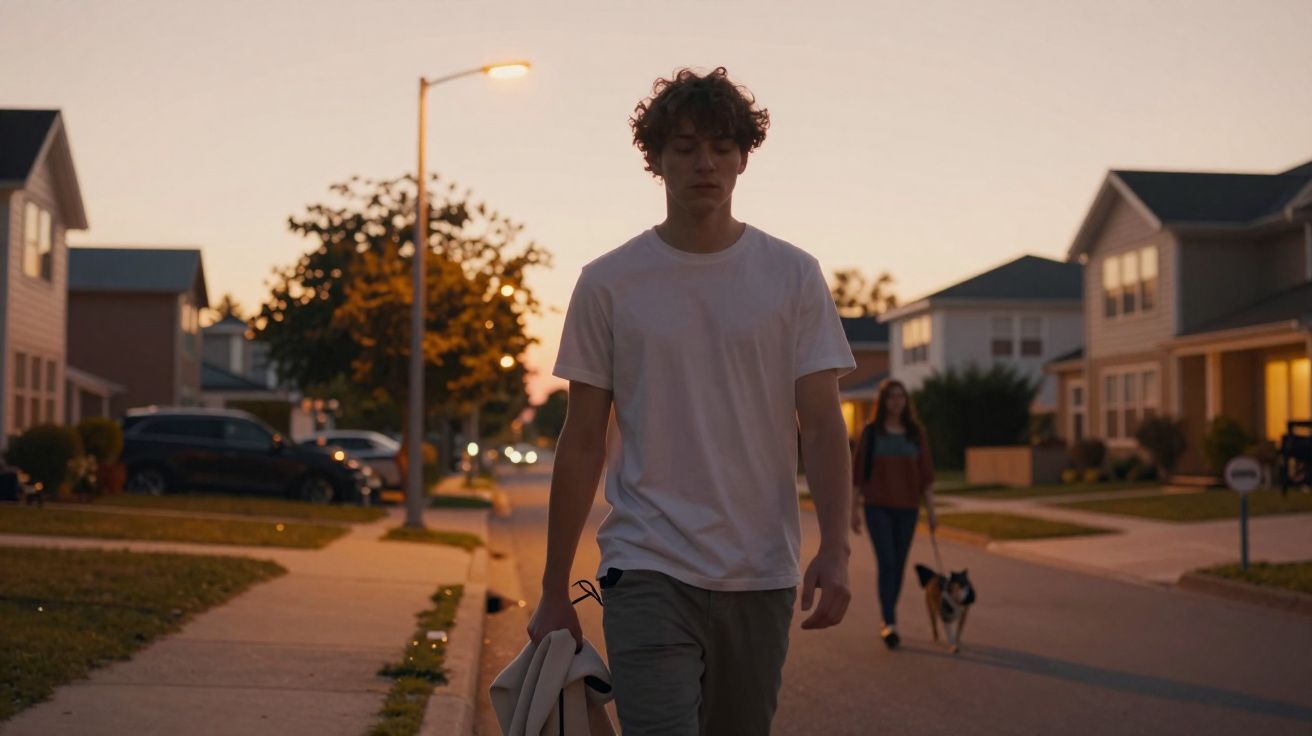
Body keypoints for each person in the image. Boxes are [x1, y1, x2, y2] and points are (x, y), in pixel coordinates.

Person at [527, 67, 857, 735]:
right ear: (655, 159)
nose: (705, 162)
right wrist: (553, 588)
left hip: (759, 570)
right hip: (647, 565)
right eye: (684, 147)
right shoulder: (609, 283)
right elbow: (583, 438)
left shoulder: (792, 275)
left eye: (721, 146)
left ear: (743, 157)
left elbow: (821, 426)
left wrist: (837, 548)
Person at [850, 378, 938, 650]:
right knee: (887, 561)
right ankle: (889, 621)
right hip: (878, 508)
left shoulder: (915, 433)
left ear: (906, 401)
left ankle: (889, 615)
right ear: (883, 401)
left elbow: (926, 477)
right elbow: (858, 475)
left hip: (908, 509)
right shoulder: (872, 433)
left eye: (901, 396)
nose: (896, 401)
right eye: (891, 396)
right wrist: (853, 510)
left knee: (898, 565)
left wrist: (932, 513)